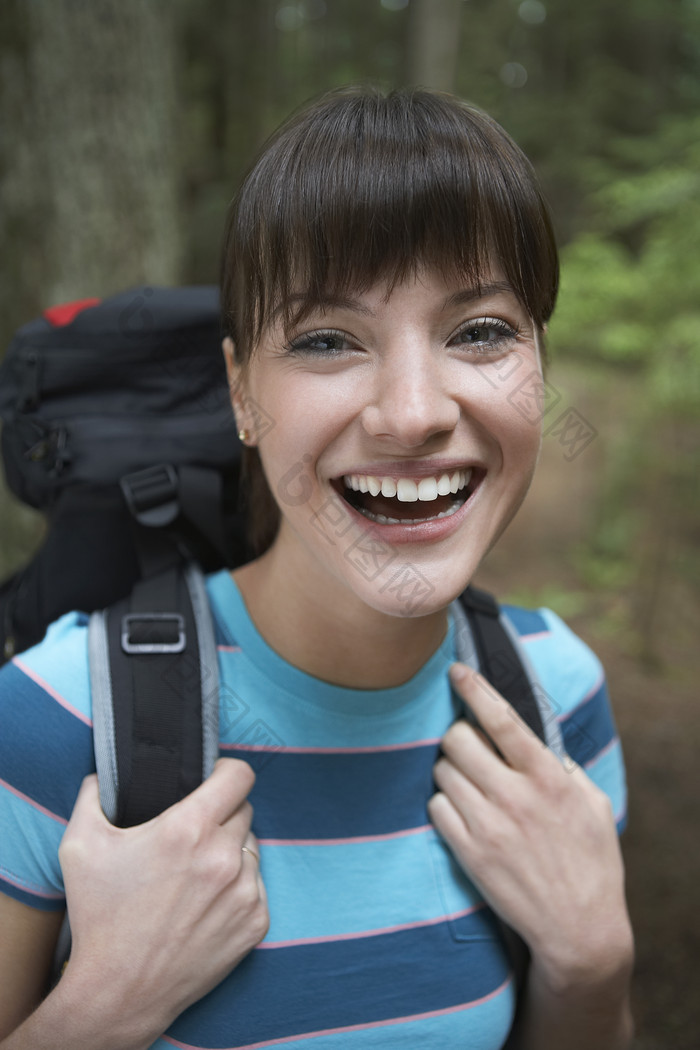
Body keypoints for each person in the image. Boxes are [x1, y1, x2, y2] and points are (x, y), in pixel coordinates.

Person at [0, 86, 634, 1049]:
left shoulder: (554, 704)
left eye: (481, 331)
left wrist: (593, 965)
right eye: (327, 340)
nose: (413, 412)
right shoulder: (56, 720)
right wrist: (108, 1004)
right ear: (241, 393)